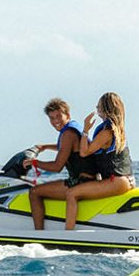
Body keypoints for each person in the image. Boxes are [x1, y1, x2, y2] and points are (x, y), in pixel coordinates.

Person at [61, 92, 135, 230]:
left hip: (116, 181)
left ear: (105, 109)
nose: (96, 109)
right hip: (124, 179)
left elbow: (84, 152)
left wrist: (85, 130)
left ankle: (68, 234)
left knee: (71, 193)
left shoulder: (106, 132)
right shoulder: (116, 129)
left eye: (99, 107)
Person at [27, 98, 95, 230]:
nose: (55, 121)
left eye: (58, 116)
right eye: (52, 118)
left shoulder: (68, 134)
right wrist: (45, 147)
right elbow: (66, 148)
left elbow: (57, 167)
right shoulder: (73, 128)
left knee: (34, 192)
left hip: (81, 181)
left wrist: (35, 163)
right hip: (88, 178)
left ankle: (38, 234)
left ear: (67, 115)